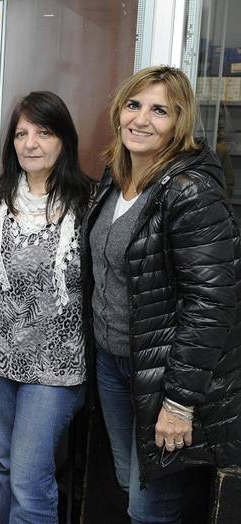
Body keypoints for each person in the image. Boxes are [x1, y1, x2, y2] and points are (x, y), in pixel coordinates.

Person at [84, 65, 241, 523]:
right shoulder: (115, 180)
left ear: (180, 123)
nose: (142, 119)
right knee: (128, 479)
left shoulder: (191, 191)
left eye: (160, 111)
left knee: (149, 502)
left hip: (163, 373)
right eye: (134, 105)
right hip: (114, 361)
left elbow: (213, 305)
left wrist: (178, 401)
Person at [0, 91, 92, 523]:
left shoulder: (87, 203)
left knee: (29, 476)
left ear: (63, 139)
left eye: (43, 132)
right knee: (6, 469)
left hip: (56, 363)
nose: (31, 143)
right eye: (22, 134)